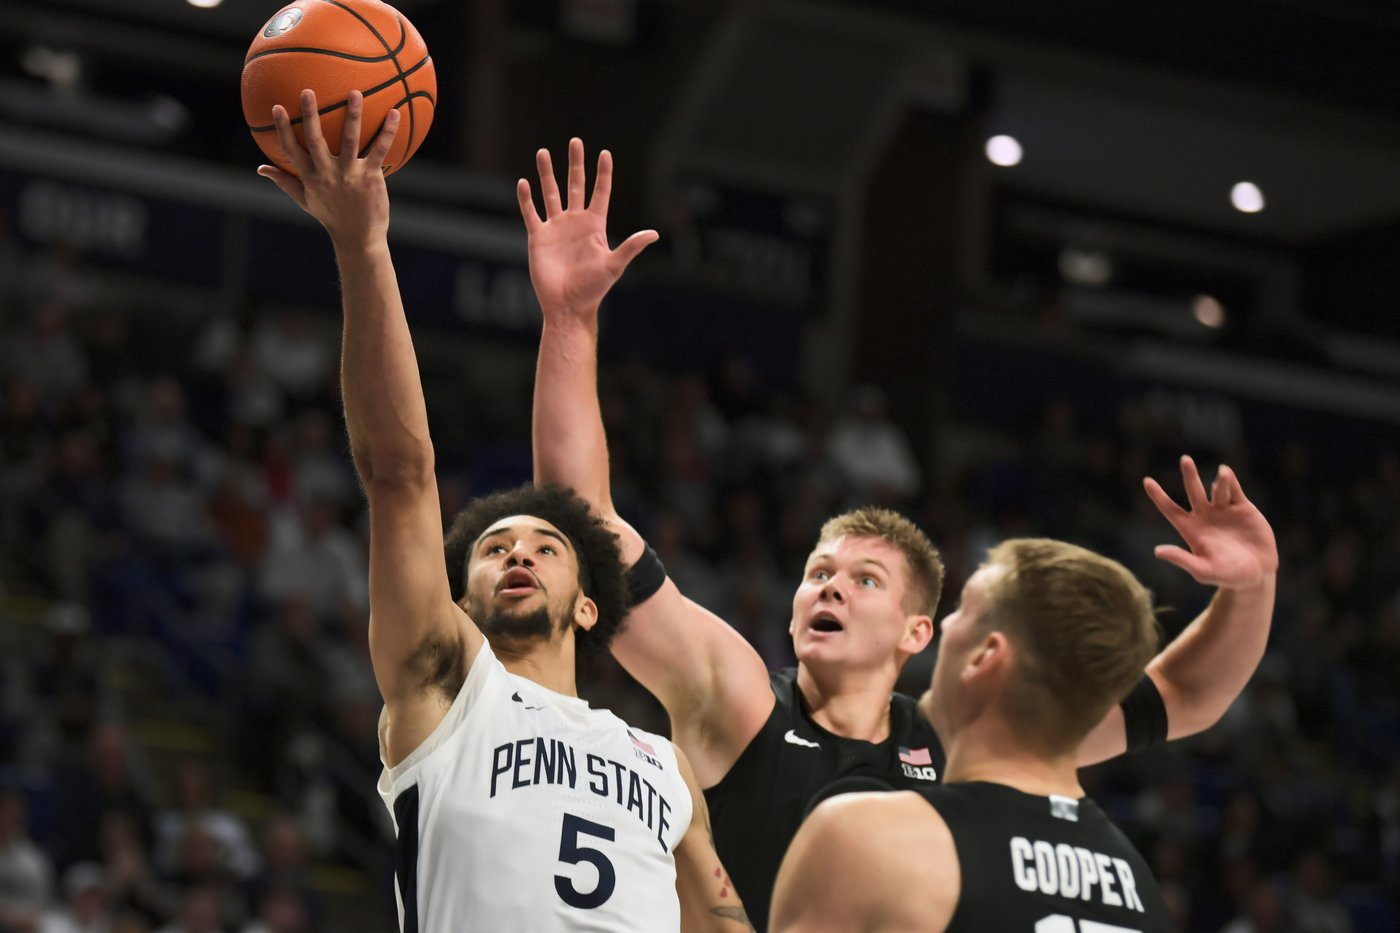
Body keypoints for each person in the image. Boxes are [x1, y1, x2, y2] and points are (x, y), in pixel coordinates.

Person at [522, 138, 1279, 926]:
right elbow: (582, 523)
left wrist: (1252, 587)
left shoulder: (970, 735)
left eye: (865, 580)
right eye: (818, 573)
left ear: (919, 630)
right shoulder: (742, 701)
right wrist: (569, 321)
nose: (830, 588)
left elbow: (1183, 694)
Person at [257, 92, 751, 932]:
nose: (517, 553)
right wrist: (362, 246)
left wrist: (572, 319)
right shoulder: (448, 686)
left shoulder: (663, 764)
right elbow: (399, 473)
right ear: (460, 599)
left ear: (589, 605)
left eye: (545, 546)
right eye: (493, 549)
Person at [769, 538, 1172, 932]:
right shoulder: (1141, 886)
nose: (945, 622)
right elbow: (1179, 693)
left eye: (963, 609)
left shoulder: (865, 837)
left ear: (985, 656)